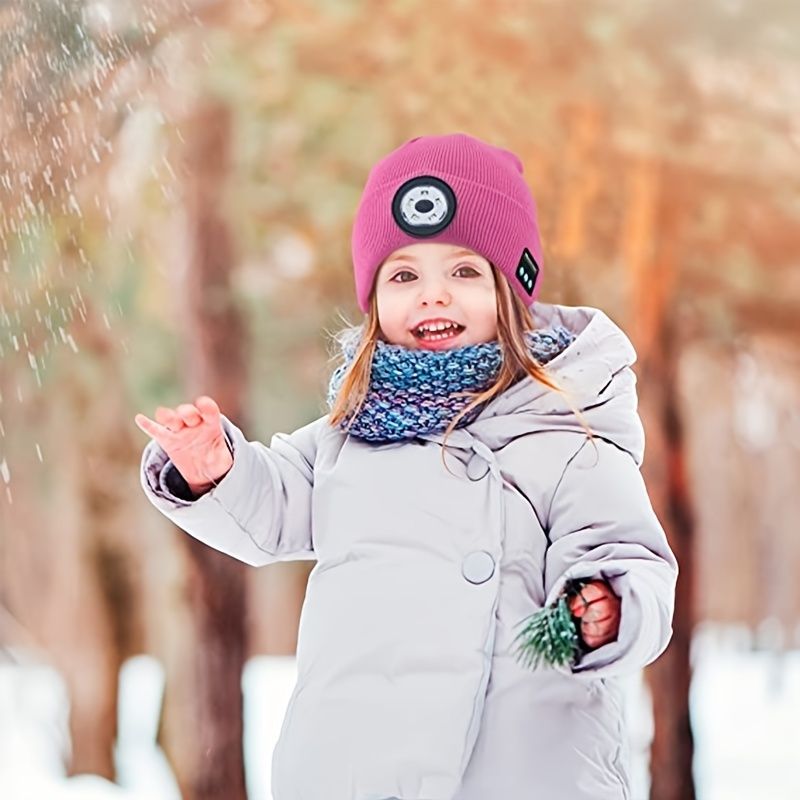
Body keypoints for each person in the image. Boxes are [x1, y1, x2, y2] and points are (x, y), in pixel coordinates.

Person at [135, 132, 679, 800]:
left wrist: (609, 606)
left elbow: (631, 557)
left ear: (514, 291)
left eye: (464, 271)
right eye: (404, 275)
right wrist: (213, 468)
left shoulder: (563, 434)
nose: (433, 295)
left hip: (519, 773)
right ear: (373, 302)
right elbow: (272, 506)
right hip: (354, 770)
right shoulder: (350, 435)